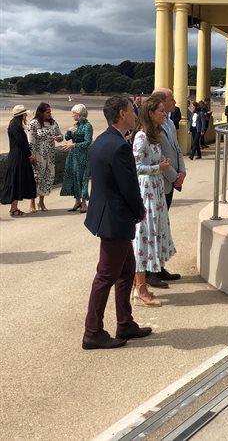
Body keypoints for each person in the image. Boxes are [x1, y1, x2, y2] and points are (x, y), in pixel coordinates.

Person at [82, 95, 150, 350]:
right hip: (116, 219)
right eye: (132, 111)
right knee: (106, 276)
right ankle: (93, 332)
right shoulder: (120, 146)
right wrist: (140, 210)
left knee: (126, 270)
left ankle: (125, 323)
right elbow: (128, 186)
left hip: (106, 215)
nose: (135, 114)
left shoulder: (102, 141)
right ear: (122, 114)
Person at [131, 95, 176, 306]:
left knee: (152, 234)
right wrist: (159, 167)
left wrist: (161, 165)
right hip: (147, 191)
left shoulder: (153, 135)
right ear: (150, 113)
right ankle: (140, 286)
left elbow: (149, 162)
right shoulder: (141, 137)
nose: (164, 113)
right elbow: (137, 168)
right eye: (160, 111)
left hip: (155, 190)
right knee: (143, 236)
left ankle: (139, 284)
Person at [0, 105, 37, 216]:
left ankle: (14, 208)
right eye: (25, 113)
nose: (26, 115)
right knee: (15, 182)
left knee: (16, 182)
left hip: (17, 157)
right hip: (18, 158)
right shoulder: (15, 127)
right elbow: (22, 143)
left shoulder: (15, 125)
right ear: (21, 115)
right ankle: (14, 208)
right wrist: (30, 155)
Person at [28, 103, 63, 212]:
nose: (50, 114)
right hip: (38, 155)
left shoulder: (53, 123)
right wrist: (32, 155)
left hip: (50, 155)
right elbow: (31, 141)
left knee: (47, 177)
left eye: (50, 112)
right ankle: (32, 202)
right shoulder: (33, 124)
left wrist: (58, 138)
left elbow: (61, 135)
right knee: (36, 177)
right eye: (48, 112)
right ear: (41, 112)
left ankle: (41, 202)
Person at [60, 104, 93, 213]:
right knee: (74, 177)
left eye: (73, 113)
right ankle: (77, 201)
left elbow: (88, 142)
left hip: (83, 156)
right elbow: (67, 137)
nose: (72, 115)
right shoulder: (76, 125)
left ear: (79, 114)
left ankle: (84, 203)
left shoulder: (87, 126)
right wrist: (69, 131)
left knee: (83, 179)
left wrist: (74, 145)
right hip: (73, 156)